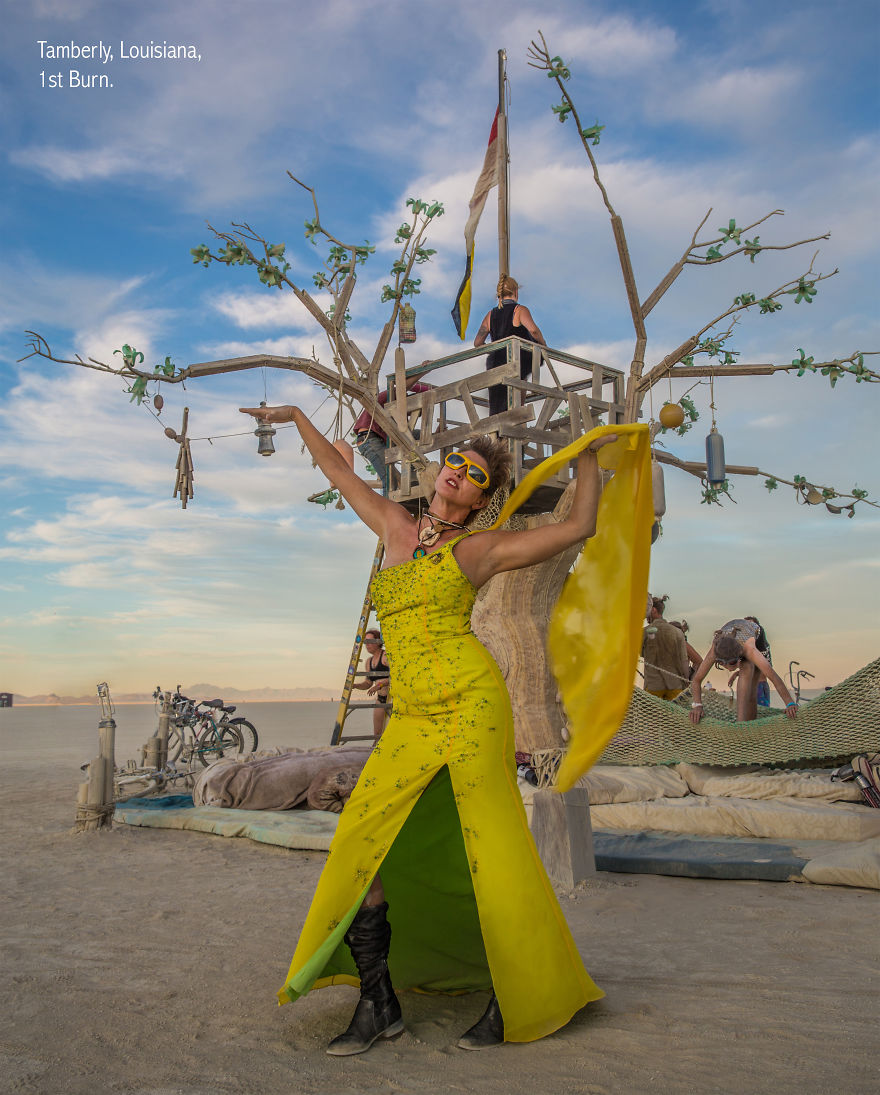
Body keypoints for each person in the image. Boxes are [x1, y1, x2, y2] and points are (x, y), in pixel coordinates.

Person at [239, 400, 619, 1055]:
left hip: (473, 705)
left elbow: (579, 525)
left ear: (479, 497)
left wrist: (585, 452)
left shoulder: (481, 549)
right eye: (453, 461)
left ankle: (514, 995)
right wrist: (296, 413)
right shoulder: (393, 526)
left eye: (471, 472)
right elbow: (336, 467)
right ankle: (377, 1002)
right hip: (412, 716)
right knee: (363, 841)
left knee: (494, 851)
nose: (455, 472)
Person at [690, 618, 797, 724]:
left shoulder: (749, 650)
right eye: (724, 663)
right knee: (745, 673)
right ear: (719, 661)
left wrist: (789, 704)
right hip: (736, 633)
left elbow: (773, 676)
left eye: (735, 662)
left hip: (756, 637)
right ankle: (742, 724)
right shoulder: (715, 650)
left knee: (747, 670)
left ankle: (741, 723)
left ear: (739, 656)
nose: (733, 666)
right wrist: (697, 705)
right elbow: (696, 680)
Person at [473, 275, 546, 418]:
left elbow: (477, 343)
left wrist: (492, 347)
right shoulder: (519, 310)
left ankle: (498, 436)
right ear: (516, 292)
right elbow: (534, 331)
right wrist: (543, 345)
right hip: (515, 361)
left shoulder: (490, 314)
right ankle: (516, 422)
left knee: (497, 405)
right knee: (517, 397)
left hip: (495, 362)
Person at [351, 369, 432, 492]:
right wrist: (423, 371)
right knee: (389, 481)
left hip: (377, 440)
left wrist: (434, 434)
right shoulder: (389, 396)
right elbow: (403, 386)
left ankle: (414, 479)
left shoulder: (398, 415)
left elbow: (413, 435)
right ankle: (384, 509)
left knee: (415, 436)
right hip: (370, 439)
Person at [641, 595, 690, 700]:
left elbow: (641, 653)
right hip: (675, 686)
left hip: (653, 687)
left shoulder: (644, 632)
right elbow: (684, 661)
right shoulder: (677, 632)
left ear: (653, 610)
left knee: (653, 716)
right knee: (674, 716)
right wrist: (686, 681)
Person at [351, 628, 390, 739]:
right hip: (381, 699)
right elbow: (368, 683)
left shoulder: (386, 656)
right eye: (365, 642)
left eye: (370, 641)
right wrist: (355, 686)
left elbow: (397, 677)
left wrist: (380, 685)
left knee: (391, 732)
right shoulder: (369, 661)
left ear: (378, 642)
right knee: (377, 734)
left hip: (393, 699)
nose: (367, 645)